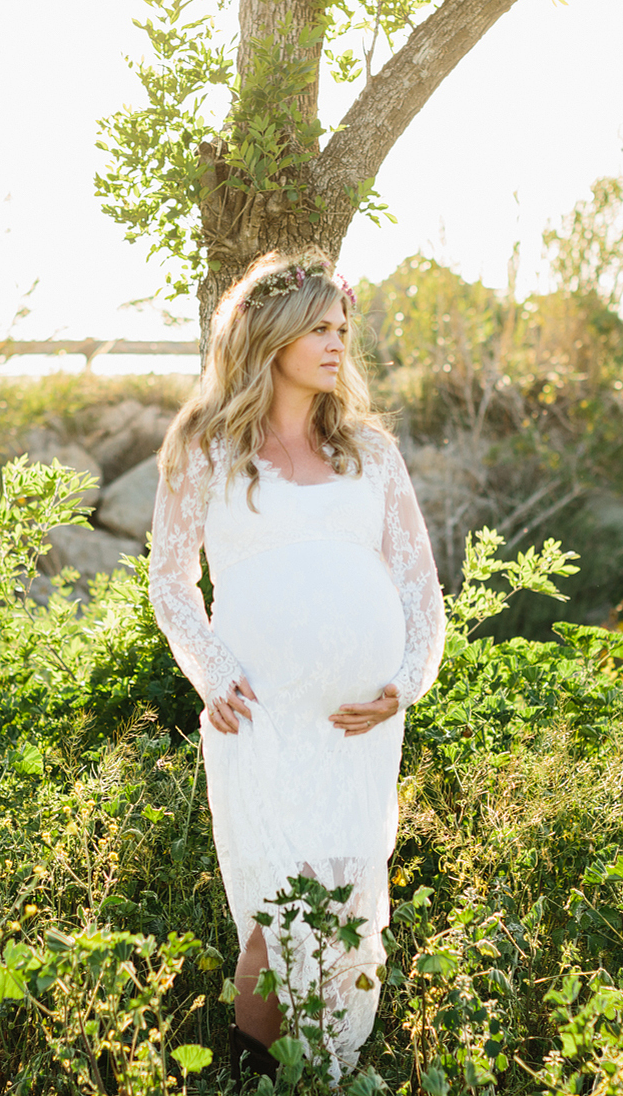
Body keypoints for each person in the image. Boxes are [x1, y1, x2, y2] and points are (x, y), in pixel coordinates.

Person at [148, 248, 446, 1079]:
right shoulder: (207, 446)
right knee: (277, 913)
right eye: (318, 327)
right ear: (270, 334)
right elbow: (170, 584)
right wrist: (212, 673)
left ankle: (328, 1077)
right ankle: (255, 1079)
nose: (335, 343)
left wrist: (403, 685)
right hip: (261, 718)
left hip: (356, 730)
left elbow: (422, 588)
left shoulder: (371, 454)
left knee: (346, 905)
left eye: (341, 328)